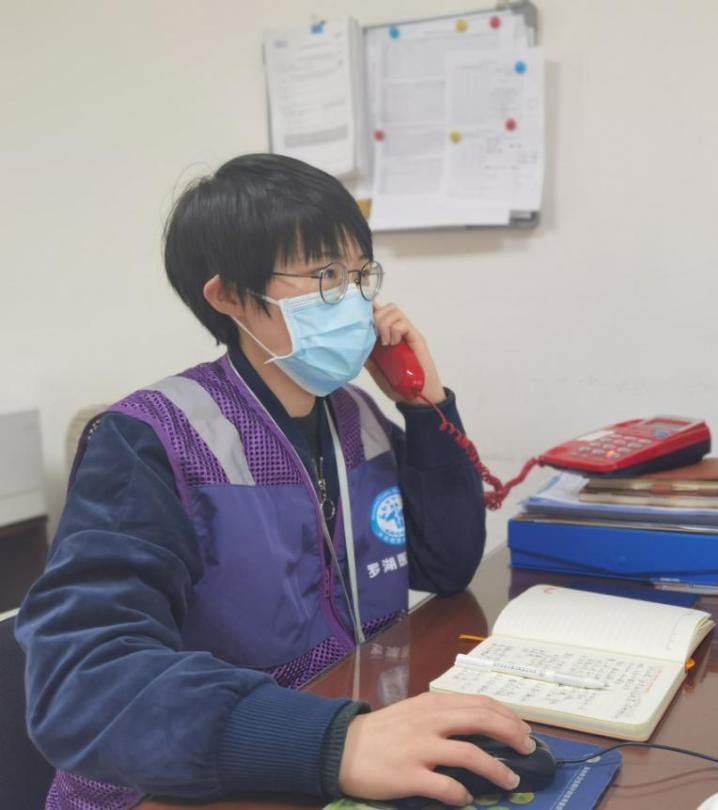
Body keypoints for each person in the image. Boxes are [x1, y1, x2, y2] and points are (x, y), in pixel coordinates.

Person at [16, 154, 533, 809]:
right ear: (230, 296)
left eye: (360, 274)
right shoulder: (151, 439)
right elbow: (81, 681)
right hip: (193, 785)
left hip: (348, 733)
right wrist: (332, 744)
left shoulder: (356, 417)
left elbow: (447, 563)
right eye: (325, 276)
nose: (355, 300)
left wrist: (426, 407)